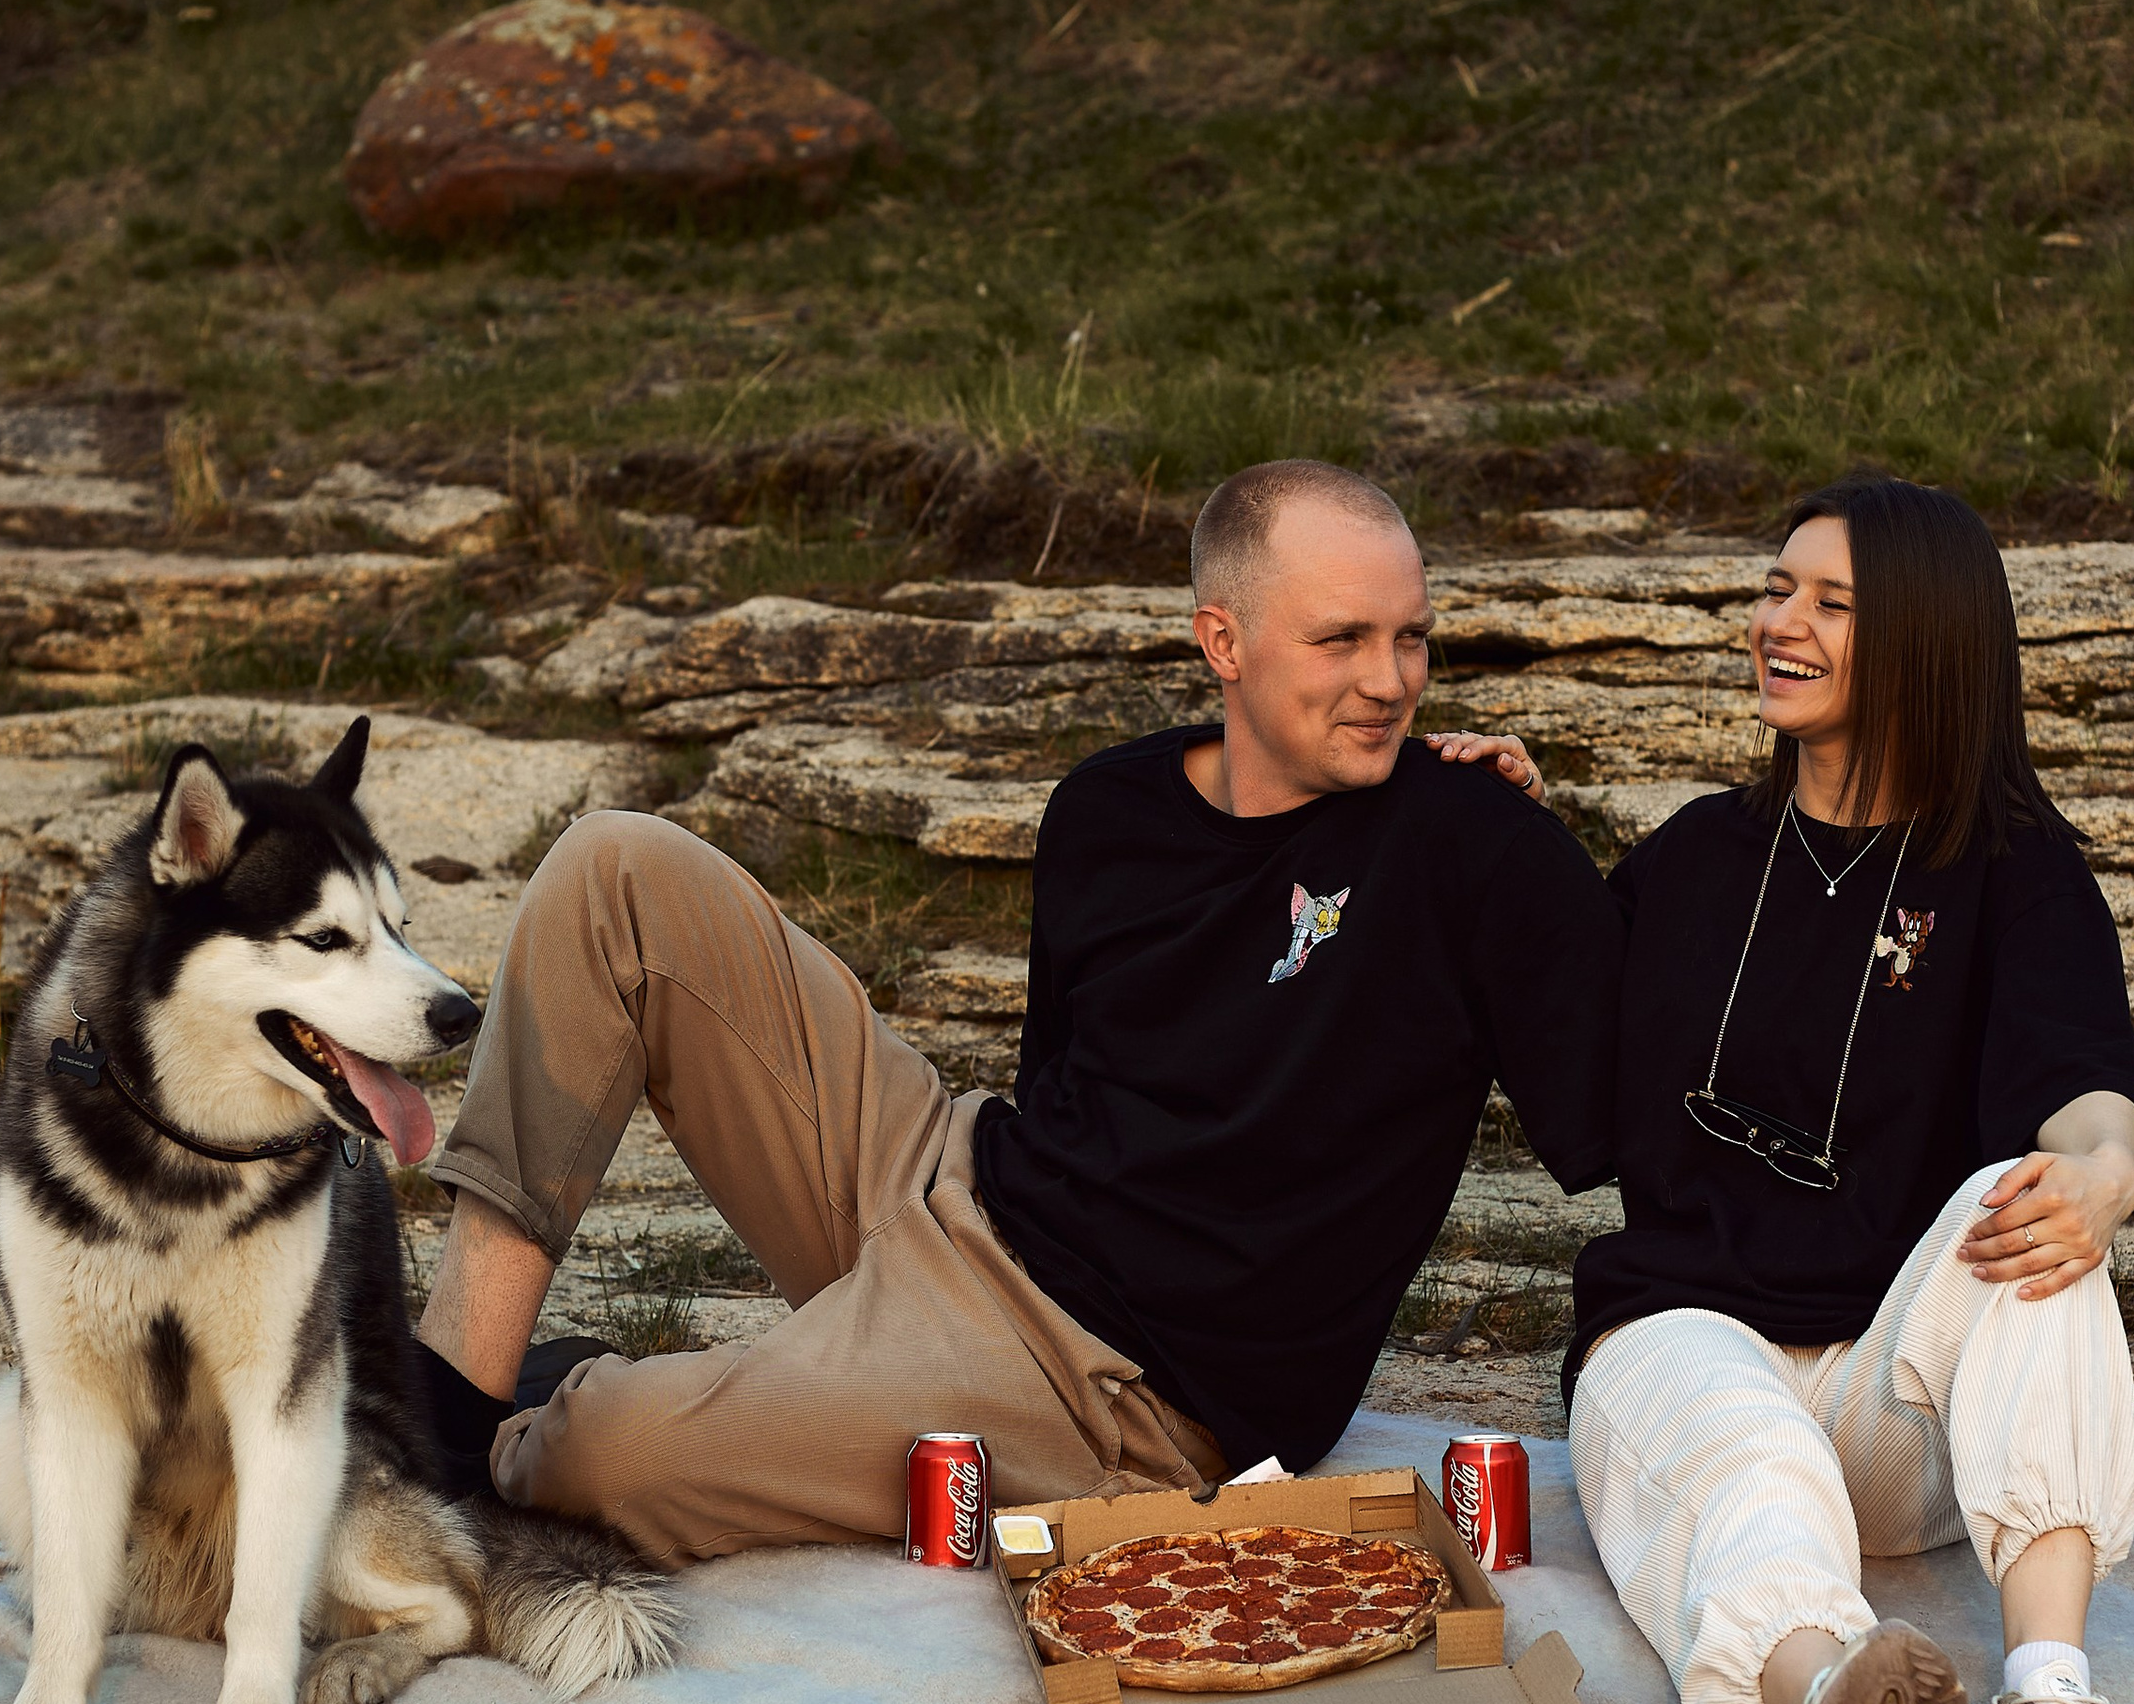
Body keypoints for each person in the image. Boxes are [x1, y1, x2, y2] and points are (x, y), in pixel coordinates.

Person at [413, 459, 1620, 1564]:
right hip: (947, 1177)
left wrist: (1549, 868)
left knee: (603, 1456)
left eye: (1412, 636)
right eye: (1342, 638)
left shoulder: (1469, 842)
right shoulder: (1108, 810)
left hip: (1102, 1392)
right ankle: (439, 1411)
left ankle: (586, 1410)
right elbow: (1063, 1091)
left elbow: (1628, 1102)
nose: (1390, 680)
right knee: (616, 867)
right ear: (1224, 640)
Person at [1563, 475, 2134, 1704]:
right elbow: (1548, 1032)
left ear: (1924, 641)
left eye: (1831, 603)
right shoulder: (1693, 856)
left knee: (2029, 1206)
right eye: (1777, 589)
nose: (1780, 621)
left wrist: (2105, 1171)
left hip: (1894, 1396)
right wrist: (1492, 825)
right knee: (1749, 1461)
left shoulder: (2015, 871)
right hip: (1684, 1328)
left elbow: (2080, 1079)